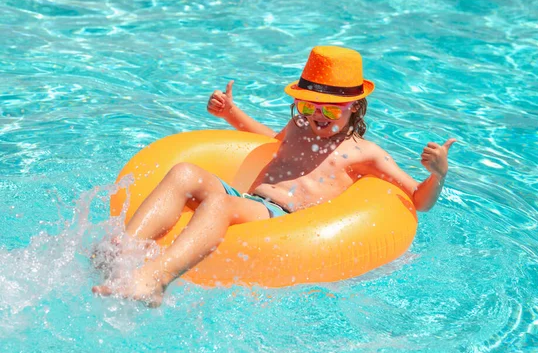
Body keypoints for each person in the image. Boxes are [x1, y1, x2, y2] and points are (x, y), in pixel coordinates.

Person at [92, 46, 456, 307]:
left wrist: (438, 174)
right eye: (308, 105)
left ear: (355, 107)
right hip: (246, 196)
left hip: (279, 215)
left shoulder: (365, 154)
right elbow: (267, 141)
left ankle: (154, 280)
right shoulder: (299, 126)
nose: (318, 116)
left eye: (331, 108)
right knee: (185, 171)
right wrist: (232, 114)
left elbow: (417, 200)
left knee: (219, 205)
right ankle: (120, 251)